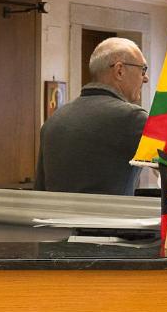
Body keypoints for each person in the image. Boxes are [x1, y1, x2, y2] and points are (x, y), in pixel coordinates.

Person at [34, 37, 149, 195]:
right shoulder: (132, 118)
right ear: (119, 70)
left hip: (55, 219)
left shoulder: (54, 120)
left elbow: (40, 191)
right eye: (143, 69)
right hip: (110, 219)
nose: (146, 78)